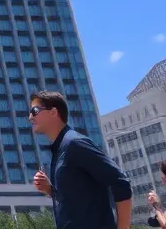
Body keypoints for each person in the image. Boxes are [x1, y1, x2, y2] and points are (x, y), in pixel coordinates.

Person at [30, 90, 131, 229]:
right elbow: (76, 202)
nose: (30, 117)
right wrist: (50, 190)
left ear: (53, 112)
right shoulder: (60, 150)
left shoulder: (75, 144)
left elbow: (121, 182)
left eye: (35, 111)